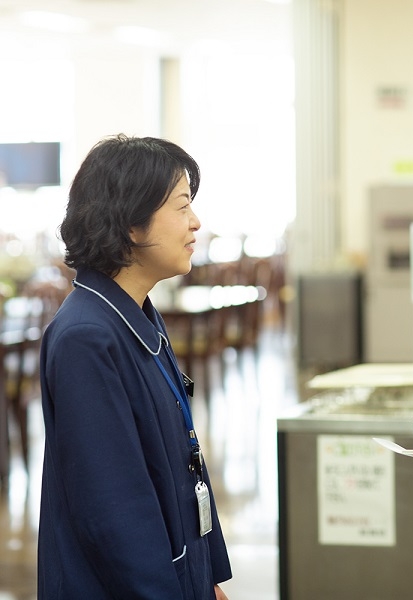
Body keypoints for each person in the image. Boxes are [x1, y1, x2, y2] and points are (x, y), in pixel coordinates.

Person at [38, 135, 232, 599]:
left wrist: (209, 578)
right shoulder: (86, 337)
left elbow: (182, 467)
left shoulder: (136, 313)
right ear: (131, 224)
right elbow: (114, 511)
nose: (196, 222)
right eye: (182, 206)